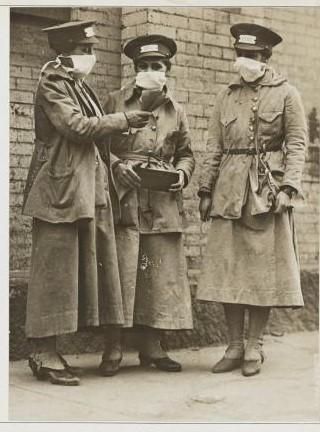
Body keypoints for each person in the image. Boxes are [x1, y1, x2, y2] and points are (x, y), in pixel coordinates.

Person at [22, 20, 151, 385]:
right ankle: (42, 352)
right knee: (53, 271)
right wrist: (123, 119)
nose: (90, 57)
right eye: (85, 50)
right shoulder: (52, 83)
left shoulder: (78, 85)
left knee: (71, 272)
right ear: (64, 51)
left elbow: (93, 144)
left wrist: (116, 162)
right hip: (59, 192)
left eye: (91, 50)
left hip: (83, 191)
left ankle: (52, 351)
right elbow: (77, 128)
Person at [197, 23, 307, 377]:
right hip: (229, 191)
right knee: (229, 269)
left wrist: (289, 188)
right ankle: (233, 345)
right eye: (241, 55)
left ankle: (255, 347)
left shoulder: (288, 93)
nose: (245, 61)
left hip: (267, 191)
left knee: (261, 272)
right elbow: (214, 145)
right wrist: (204, 189)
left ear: (266, 57)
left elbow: (297, 144)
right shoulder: (225, 96)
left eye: (253, 56)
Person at [101, 34, 195, 375]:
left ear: (167, 70)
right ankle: (112, 346)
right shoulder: (115, 100)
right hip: (125, 196)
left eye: (156, 66)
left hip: (163, 201)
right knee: (121, 270)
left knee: (159, 273)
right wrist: (116, 166)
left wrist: (182, 174)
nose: (150, 71)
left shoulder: (177, 110)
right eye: (143, 66)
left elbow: (186, 153)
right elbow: (98, 145)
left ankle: (153, 346)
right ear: (134, 70)